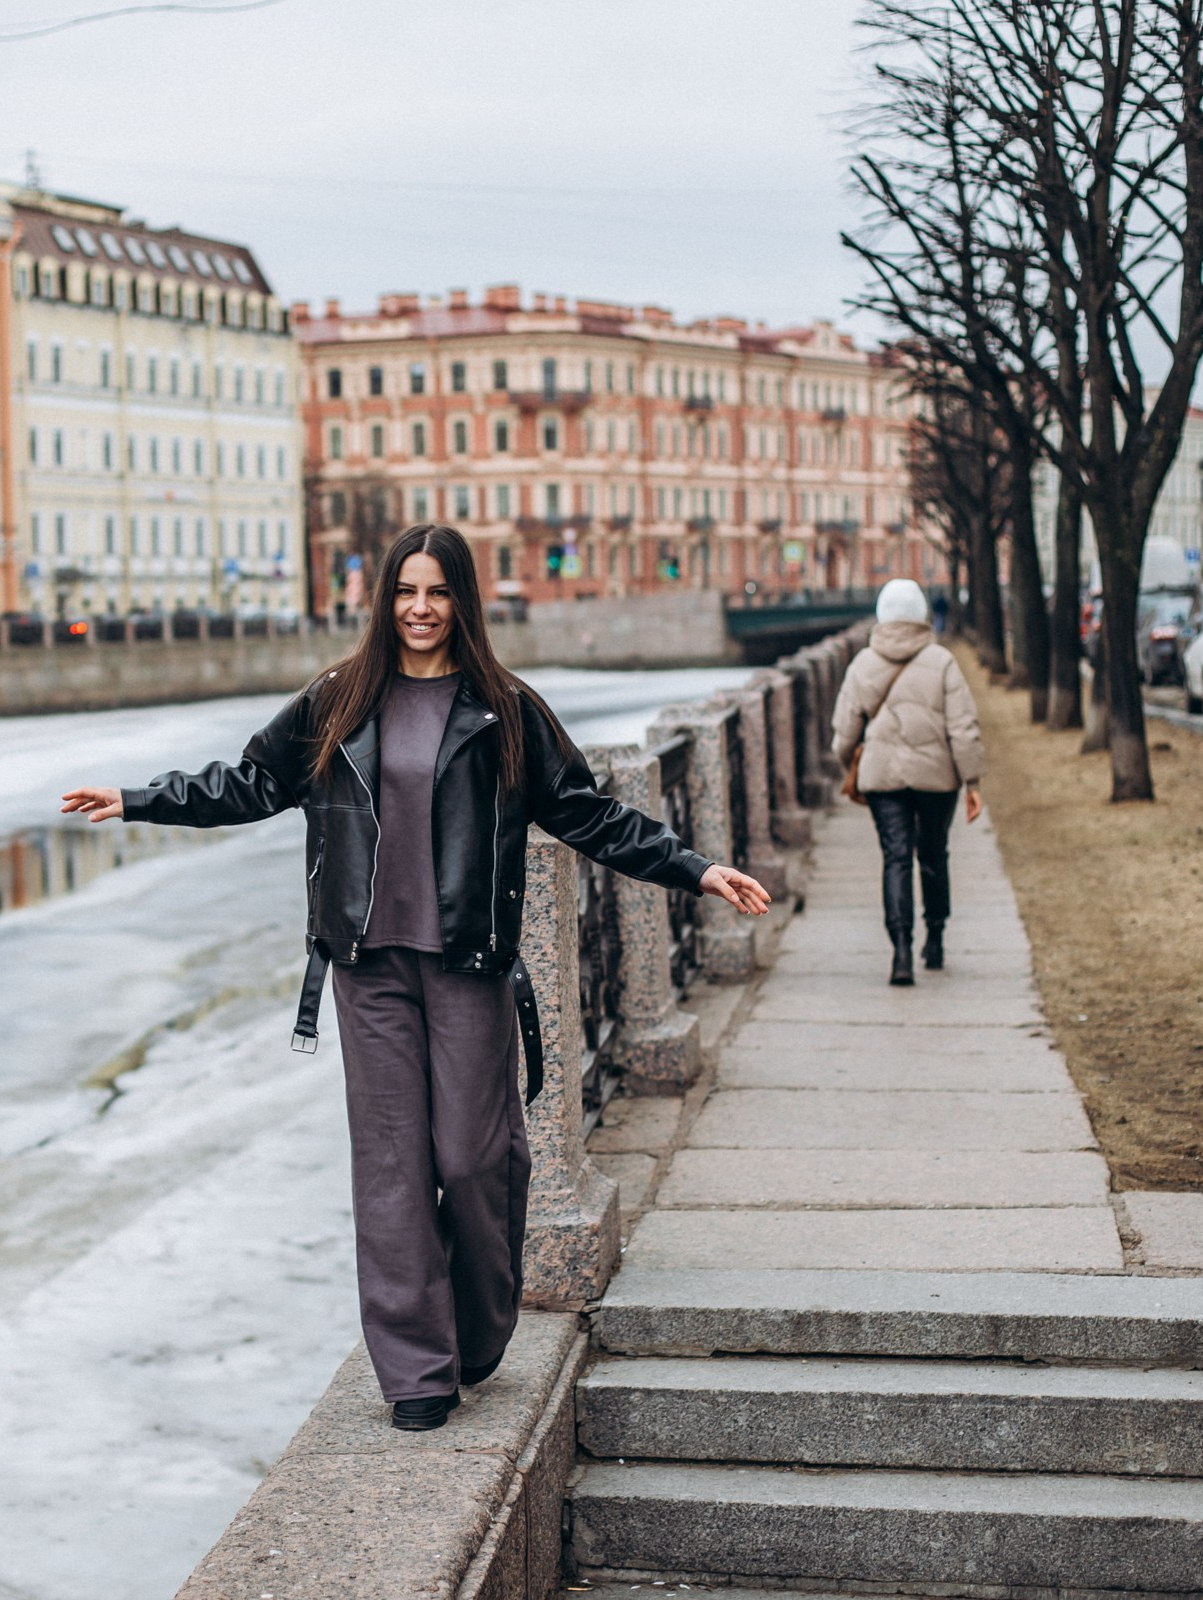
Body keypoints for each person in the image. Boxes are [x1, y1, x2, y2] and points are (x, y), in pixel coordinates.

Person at [60, 524, 769, 1433]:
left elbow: (587, 813)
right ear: (384, 600)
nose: (420, 609)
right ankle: (416, 1372)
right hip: (367, 966)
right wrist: (138, 799)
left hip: (469, 962)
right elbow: (250, 784)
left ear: (462, 600)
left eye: (436, 592)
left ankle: (477, 1330)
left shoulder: (506, 709)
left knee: (474, 1160)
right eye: (405, 591)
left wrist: (694, 868)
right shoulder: (338, 699)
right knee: (392, 1168)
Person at [830, 578, 986, 986]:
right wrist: (972, 782)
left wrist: (851, 765)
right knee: (933, 854)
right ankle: (935, 939)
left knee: (895, 858)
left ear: (881, 615)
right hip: (937, 778)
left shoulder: (863, 664)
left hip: (882, 777)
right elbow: (963, 727)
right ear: (921, 615)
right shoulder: (941, 661)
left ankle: (901, 951)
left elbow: (844, 732)